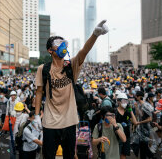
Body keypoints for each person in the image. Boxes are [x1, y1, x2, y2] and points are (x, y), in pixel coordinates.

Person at [35, 20, 108, 159]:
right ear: (50, 50)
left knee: (69, 155)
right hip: (50, 123)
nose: (63, 46)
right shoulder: (43, 69)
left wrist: (95, 34)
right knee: (48, 156)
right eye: (58, 43)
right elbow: (39, 92)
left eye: (64, 43)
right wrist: (37, 116)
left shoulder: (71, 66)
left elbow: (83, 52)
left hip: (70, 122)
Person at [115, 93, 138, 159]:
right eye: (123, 101)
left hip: (126, 135)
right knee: (116, 154)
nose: (125, 103)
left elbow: (135, 122)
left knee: (124, 154)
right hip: (116, 136)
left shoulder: (127, 112)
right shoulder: (114, 111)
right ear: (118, 101)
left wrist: (131, 111)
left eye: (126, 101)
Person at [134, 91, 155, 159]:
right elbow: (139, 115)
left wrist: (139, 123)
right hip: (141, 129)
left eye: (136, 96)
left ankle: (152, 157)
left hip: (146, 129)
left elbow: (150, 119)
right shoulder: (139, 104)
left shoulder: (145, 105)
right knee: (142, 147)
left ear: (139, 96)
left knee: (144, 147)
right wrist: (136, 107)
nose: (135, 97)